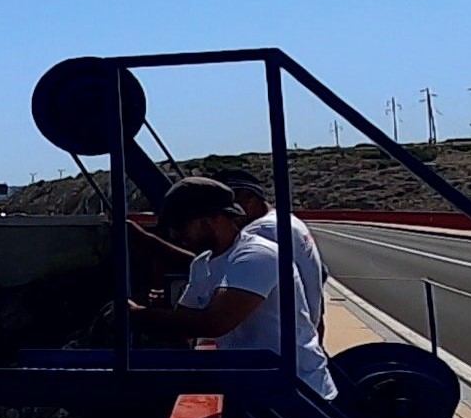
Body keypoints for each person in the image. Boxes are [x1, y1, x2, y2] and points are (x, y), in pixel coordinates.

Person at [134, 176, 336, 398]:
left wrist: (136, 315)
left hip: (298, 392)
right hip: (257, 385)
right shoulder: (202, 264)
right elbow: (185, 323)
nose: (176, 236)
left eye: (180, 227)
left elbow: (215, 323)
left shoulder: (257, 255)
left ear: (209, 221)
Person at [217, 169, 328, 334]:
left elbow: (225, 311)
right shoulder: (286, 221)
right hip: (302, 332)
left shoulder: (263, 231)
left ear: (248, 198)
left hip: (278, 342)